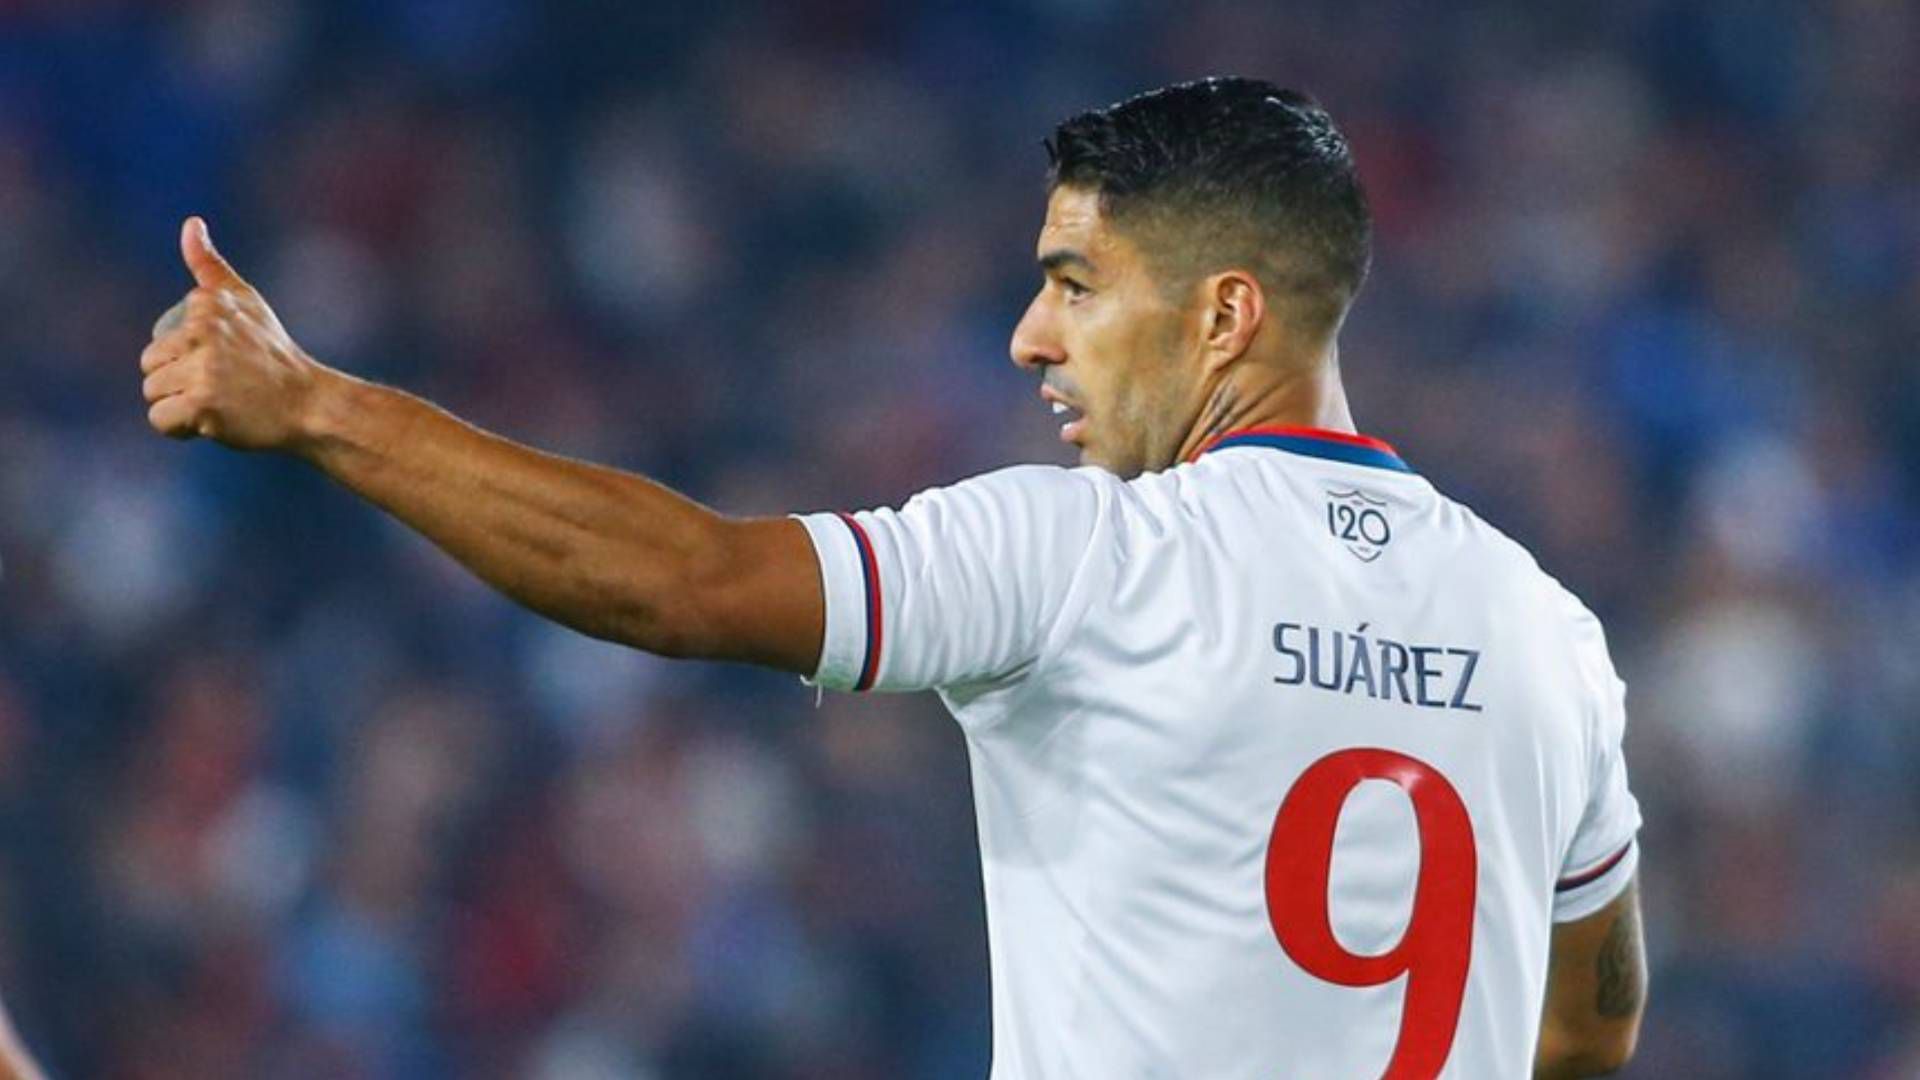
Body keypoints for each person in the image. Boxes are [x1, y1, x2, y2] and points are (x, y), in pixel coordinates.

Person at [138, 78, 1645, 1079]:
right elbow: (1590, 1025)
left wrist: (320, 407)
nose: (1030, 337)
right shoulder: (1550, 634)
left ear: (1223, 316)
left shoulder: (1089, 557)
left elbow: (682, 583)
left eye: (1074, 285)